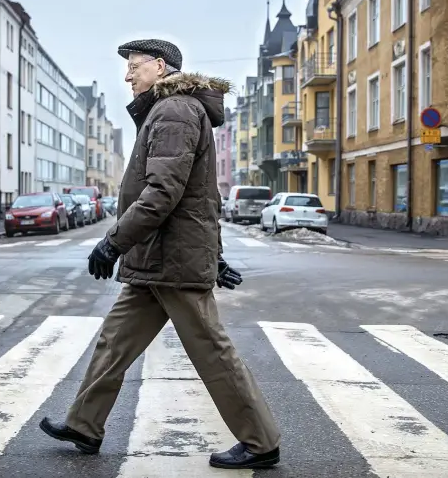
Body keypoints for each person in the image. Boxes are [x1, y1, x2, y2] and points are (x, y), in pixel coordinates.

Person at [39, 39, 281, 470]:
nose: (128, 75)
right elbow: (203, 195)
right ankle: (84, 424)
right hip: (157, 259)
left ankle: (261, 441)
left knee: (212, 350)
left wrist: (114, 241)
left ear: (160, 66)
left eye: (134, 66)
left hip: (172, 260)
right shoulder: (167, 110)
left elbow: (164, 193)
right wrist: (215, 253)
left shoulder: (173, 111)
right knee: (115, 342)